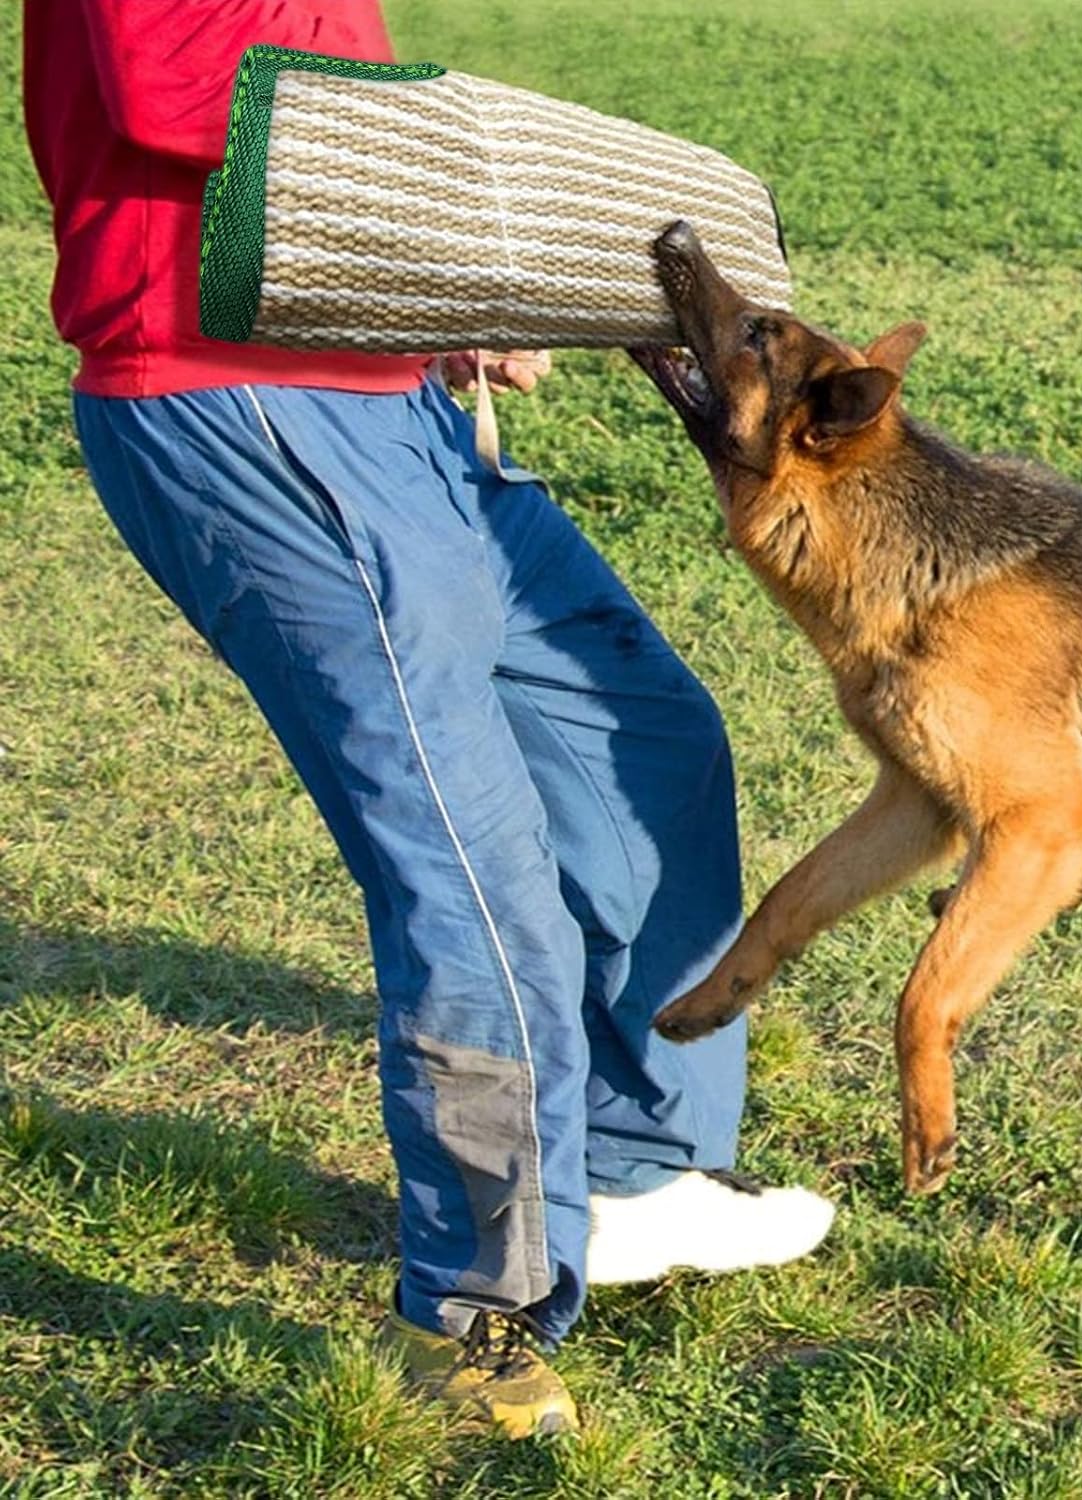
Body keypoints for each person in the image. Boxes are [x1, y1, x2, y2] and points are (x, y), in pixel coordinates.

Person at [23, 0, 834, 1439]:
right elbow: (173, 85)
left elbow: (317, 124)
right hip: (239, 400)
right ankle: (476, 1315)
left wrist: (442, 286)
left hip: (377, 388)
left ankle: (633, 1171)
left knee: (641, 737)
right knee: (473, 865)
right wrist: (465, 213)